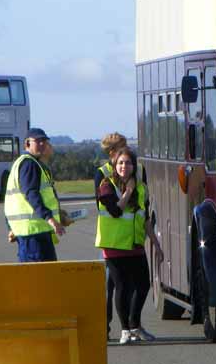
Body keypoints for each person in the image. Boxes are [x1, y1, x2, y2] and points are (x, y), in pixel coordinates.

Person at [95, 146, 163, 345]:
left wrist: (156, 244)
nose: (124, 166)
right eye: (121, 163)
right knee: (122, 288)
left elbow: (145, 218)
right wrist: (128, 191)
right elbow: (116, 211)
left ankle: (135, 324)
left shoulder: (142, 188)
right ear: (114, 166)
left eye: (128, 163)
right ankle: (125, 329)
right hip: (114, 245)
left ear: (134, 166)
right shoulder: (107, 185)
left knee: (143, 285)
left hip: (135, 245)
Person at [4, 128, 65, 262]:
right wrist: (50, 218)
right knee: (41, 278)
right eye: (38, 141)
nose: (42, 144)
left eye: (44, 140)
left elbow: (11, 202)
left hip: (30, 233)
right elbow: (31, 195)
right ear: (27, 144)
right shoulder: (29, 164)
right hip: (34, 234)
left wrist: (11, 228)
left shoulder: (24, 163)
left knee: (36, 277)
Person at [95, 132, 128, 339]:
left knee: (127, 285)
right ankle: (104, 328)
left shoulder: (132, 168)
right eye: (123, 148)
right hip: (110, 236)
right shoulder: (102, 173)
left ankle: (130, 327)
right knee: (109, 286)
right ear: (112, 152)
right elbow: (106, 206)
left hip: (129, 236)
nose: (128, 152)